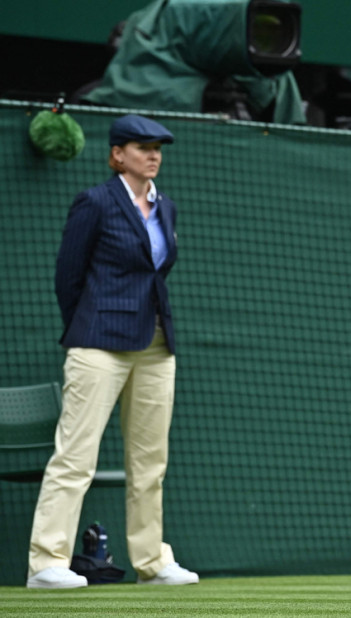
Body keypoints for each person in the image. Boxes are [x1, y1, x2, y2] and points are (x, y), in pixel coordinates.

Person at [26, 114, 199, 589]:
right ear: (118, 154)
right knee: (75, 456)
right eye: (142, 146)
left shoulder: (167, 208)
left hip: (157, 345)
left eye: (158, 147)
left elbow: (156, 273)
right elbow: (69, 276)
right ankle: (46, 562)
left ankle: (152, 562)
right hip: (98, 342)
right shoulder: (95, 202)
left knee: (151, 460)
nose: (153, 154)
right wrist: (87, 326)